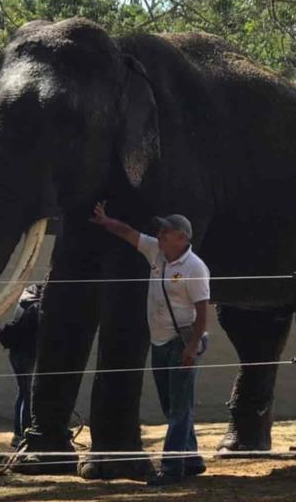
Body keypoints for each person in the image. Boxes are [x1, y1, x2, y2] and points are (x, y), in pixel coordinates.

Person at [90, 202, 210, 485]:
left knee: (179, 408)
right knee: (171, 406)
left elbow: (204, 313)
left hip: (183, 342)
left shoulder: (195, 268)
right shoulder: (156, 252)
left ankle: (171, 469)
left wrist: (192, 347)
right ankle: (191, 458)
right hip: (159, 341)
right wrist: (106, 221)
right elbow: (129, 233)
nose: (160, 234)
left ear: (182, 237)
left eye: (166, 231)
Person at [0, 284, 43, 447]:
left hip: (17, 354)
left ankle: (18, 434)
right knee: (28, 394)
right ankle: (25, 434)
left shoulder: (24, 303)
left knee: (23, 393)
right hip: (27, 355)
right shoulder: (36, 307)